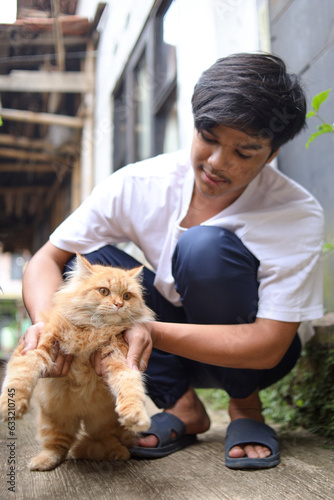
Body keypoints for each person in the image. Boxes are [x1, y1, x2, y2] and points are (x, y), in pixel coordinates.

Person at [21, 53, 324, 470]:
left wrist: (148, 329)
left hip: (251, 357)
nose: (217, 162)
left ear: (271, 154)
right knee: (90, 262)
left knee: (204, 250)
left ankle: (246, 408)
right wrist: (46, 324)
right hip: (166, 353)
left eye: (245, 151)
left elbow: (271, 345)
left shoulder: (295, 212)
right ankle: (182, 407)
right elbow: (46, 260)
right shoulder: (140, 182)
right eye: (209, 137)